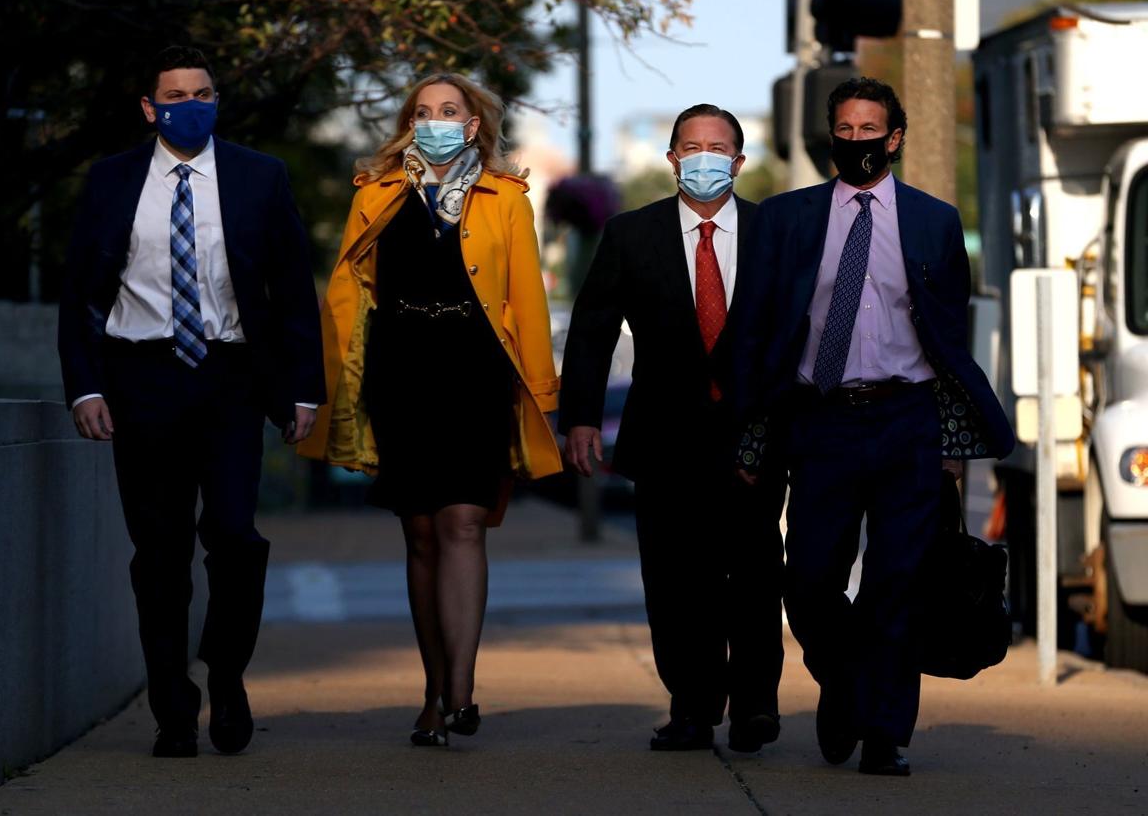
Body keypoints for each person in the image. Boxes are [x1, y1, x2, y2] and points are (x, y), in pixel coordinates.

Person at [730, 77, 1015, 776]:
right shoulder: (784, 220)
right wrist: (752, 431)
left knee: (898, 581)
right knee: (810, 582)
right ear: (832, 136)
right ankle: (851, 684)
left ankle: (886, 732)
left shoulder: (934, 222)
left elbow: (950, 336)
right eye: (845, 130)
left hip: (906, 418)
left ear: (895, 139)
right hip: (819, 420)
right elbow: (756, 331)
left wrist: (953, 445)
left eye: (870, 131)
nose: (857, 141)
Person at [57, 45, 324, 758]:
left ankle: (227, 674)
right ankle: (172, 703)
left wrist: (304, 391)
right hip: (140, 379)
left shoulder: (258, 178)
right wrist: (84, 384)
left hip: (231, 378)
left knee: (235, 536)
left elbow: (294, 294)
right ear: (150, 107)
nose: (190, 104)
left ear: (216, 98)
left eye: (203, 91)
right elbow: (81, 292)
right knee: (160, 551)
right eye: (175, 94)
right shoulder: (112, 182)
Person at [297, 73, 561, 747]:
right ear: (410, 124)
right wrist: (330, 386)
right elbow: (346, 292)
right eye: (423, 112)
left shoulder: (507, 199)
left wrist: (544, 396)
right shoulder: (376, 196)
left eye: (450, 111)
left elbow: (527, 299)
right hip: (401, 369)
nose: (436, 120)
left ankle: (464, 690)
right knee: (420, 535)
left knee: (464, 524)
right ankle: (433, 691)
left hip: (476, 370)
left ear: (473, 126)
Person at [559, 104, 786, 754]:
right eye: (691, 146)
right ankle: (692, 705)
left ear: (740, 163)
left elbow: (795, 334)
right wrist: (580, 417)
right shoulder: (633, 234)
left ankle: (754, 706)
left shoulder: (776, 233)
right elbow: (594, 327)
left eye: (718, 147)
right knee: (674, 581)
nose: (704, 157)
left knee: (754, 574)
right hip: (665, 438)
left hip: (752, 437)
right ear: (672, 159)